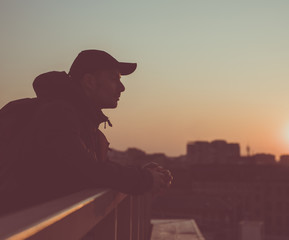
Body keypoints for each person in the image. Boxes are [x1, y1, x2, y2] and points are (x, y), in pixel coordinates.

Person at [0, 50, 173, 216]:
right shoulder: (59, 113)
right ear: (89, 82)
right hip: (19, 227)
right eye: (113, 78)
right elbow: (84, 170)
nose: (121, 87)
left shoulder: (82, 122)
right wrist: (144, 179)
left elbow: (92, 167)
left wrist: (143, 173)